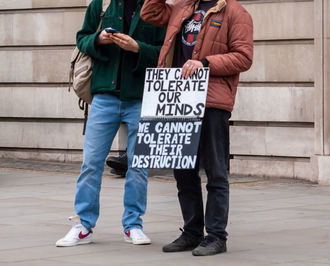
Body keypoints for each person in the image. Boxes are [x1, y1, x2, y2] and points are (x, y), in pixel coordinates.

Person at [141, 0, 253, 256]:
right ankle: (192, 232)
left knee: (216, 171)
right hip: (178, 99)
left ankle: (216, 236)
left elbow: (244, 57)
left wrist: (205, 63)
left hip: (212, 101)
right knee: (183, 172)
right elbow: (150, 12)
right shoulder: (182, 6)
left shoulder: (235, 12)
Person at [56, 0, 165, 247]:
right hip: (104, 96)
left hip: (140, 97)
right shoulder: (102, 3)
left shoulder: (155, 6)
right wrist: (98, 39)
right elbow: (82, 39)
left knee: (138, 166)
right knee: (91, 164)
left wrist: (138, 48)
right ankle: (83, 225)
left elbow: (165, 51)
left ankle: (133, 225)